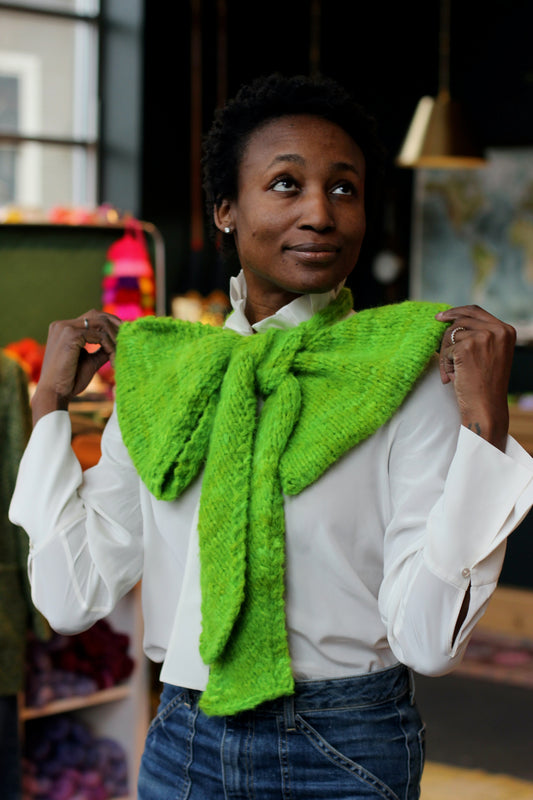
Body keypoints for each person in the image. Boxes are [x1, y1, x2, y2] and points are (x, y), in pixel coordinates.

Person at [9, 73, 533, 799]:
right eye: (285, 184)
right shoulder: (166, 376)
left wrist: (482, 430)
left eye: (343, 189)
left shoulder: (408, 374)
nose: (320, 212)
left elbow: (427, 642)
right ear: (225, 209)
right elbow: (71, 599)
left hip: (346, 747)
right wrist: (48, 412)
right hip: (182, 747)